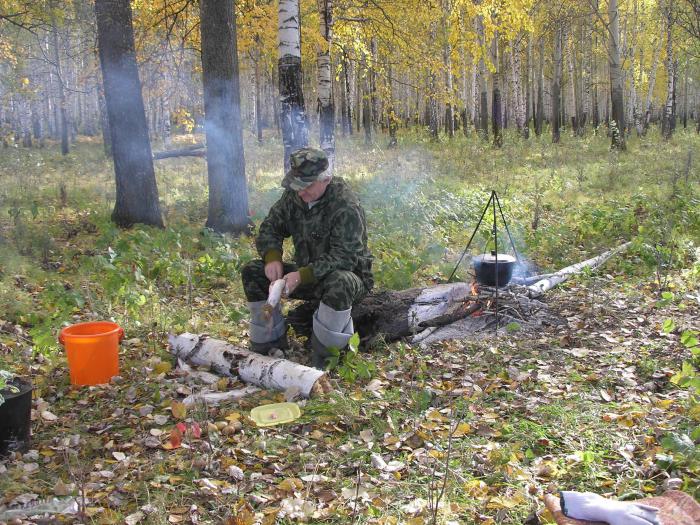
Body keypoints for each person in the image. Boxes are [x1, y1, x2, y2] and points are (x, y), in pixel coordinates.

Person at [241, 147, 373, 369]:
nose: (301, 193)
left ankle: (327, 358)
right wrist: (272, 257)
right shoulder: (295, 196)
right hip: (306, 276)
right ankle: (268, 346)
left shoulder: (345, 205)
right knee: (252, 271)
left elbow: (346, 256)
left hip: (348, 279)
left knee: (340, 282)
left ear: (326, 179)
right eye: (297, 186)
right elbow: (271, 226)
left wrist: (302, 275)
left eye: (307, 186)